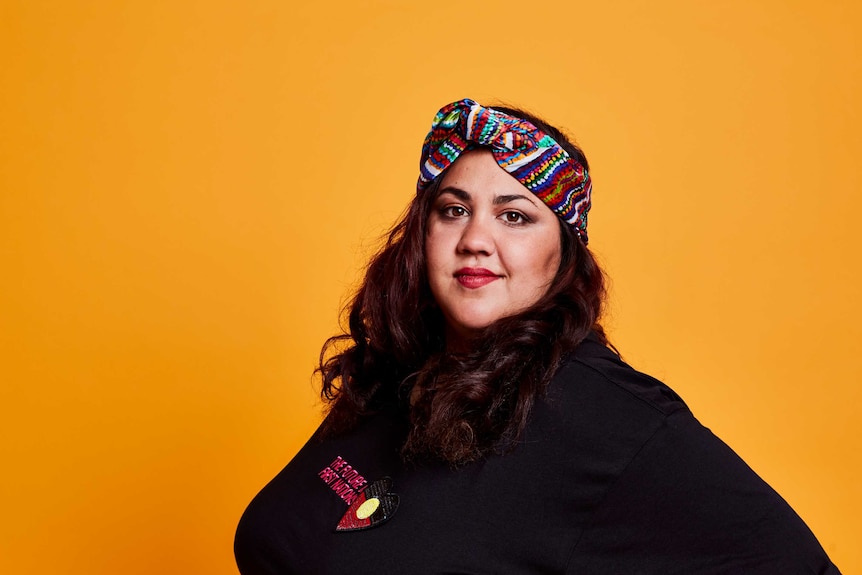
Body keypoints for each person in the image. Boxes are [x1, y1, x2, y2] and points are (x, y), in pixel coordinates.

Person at [234, 98, 840, 574]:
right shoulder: (398, 374)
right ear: (422, 234)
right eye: (452, 209)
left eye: (515, 215)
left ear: (564, 252)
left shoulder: (611, 420)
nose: (475, 237)